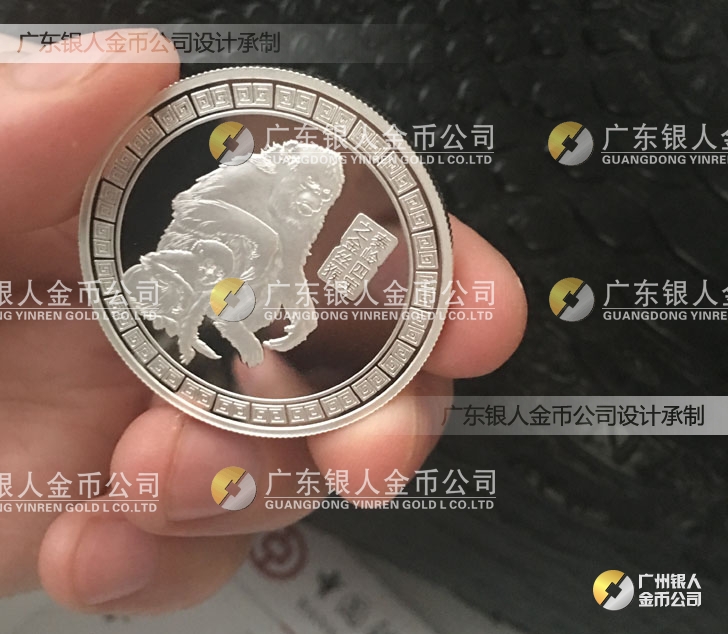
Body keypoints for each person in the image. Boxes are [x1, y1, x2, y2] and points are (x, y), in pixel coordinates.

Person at [0, 31, 527, 613]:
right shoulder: (246, 183)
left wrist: (297, 310)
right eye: (310, 192)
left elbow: (289, 264)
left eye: (320, 198)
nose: (313, 204)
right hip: (191, 253)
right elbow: (198, 211)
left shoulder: (300, 210)